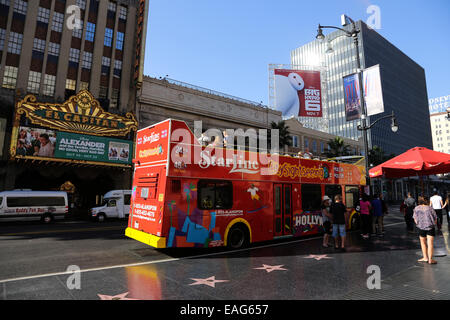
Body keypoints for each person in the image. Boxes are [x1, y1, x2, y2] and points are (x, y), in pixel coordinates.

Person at [414, 196, 438, 264]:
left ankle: (425, 257)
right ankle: (430, 260)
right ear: (426, 201)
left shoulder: (416, 208)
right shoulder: (430, 208)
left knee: (423, 243)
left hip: (421, 228)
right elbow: (435, 218)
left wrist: (419, 224)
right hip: (430, 227)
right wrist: (433, 225)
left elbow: (415, 219)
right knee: (430, 244)